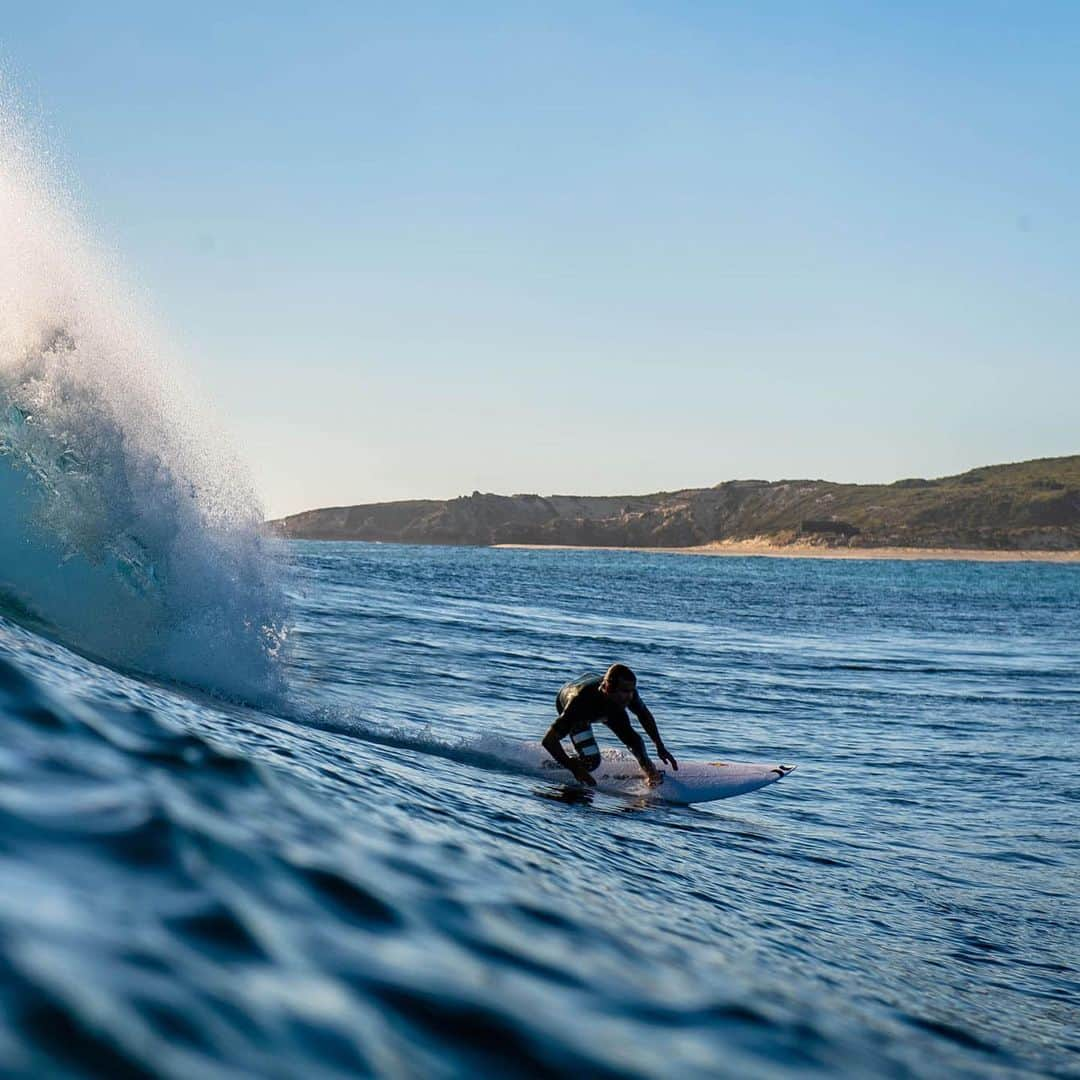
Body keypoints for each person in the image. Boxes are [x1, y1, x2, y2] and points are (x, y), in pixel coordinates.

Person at [541, 664, 679, 788]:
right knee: (591, 762)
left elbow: (644, 715)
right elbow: (549, 741)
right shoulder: (580, 703)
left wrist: (659, 745)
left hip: (605, 701)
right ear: (608, 688)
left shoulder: (627, 695)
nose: (630, 696)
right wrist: (575, 769)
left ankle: (652, 773)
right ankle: (553, 766)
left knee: (635, 740)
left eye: (632, 691)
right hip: (572, 701)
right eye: (625, 691)